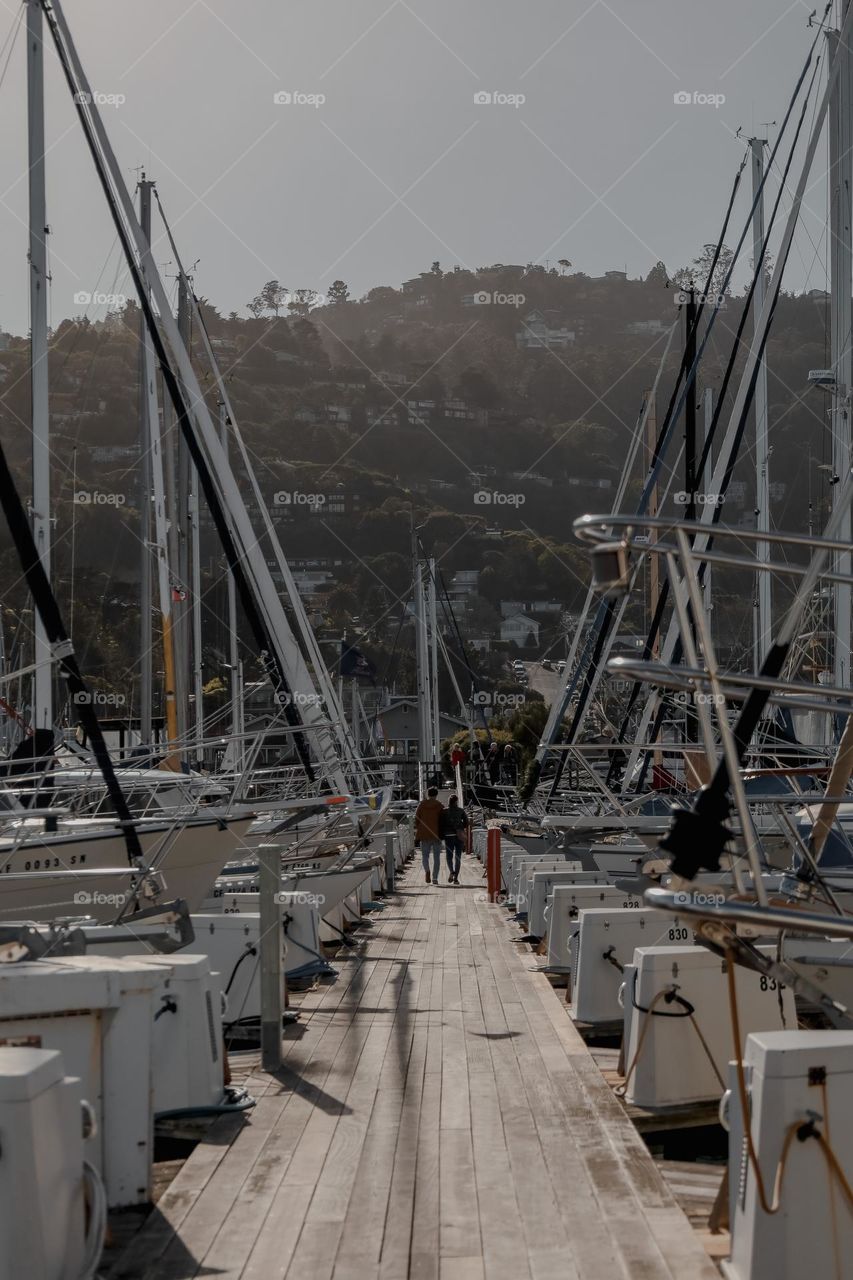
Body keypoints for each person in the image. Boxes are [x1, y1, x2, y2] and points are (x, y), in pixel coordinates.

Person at [414, 786, 444, 884]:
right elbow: (443, 820)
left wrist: (419, 828)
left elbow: (416, 818)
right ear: (436, 795)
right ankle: (435, 878)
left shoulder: (422, 804)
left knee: (425, 856)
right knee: (436, 858)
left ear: (428, 794)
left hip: (424, 834)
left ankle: (427, 871)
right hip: (436, 834)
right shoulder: (439, 805)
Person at [440, 794, 468, 885]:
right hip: (459, 835)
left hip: (449, 835)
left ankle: (452, 871)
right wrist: (460, 828)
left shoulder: (444, 811)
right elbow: (466, 822)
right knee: (458, 857)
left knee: (449, 856)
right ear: (456, 801)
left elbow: (441, 823)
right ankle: (456, 879)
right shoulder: (461, 811)